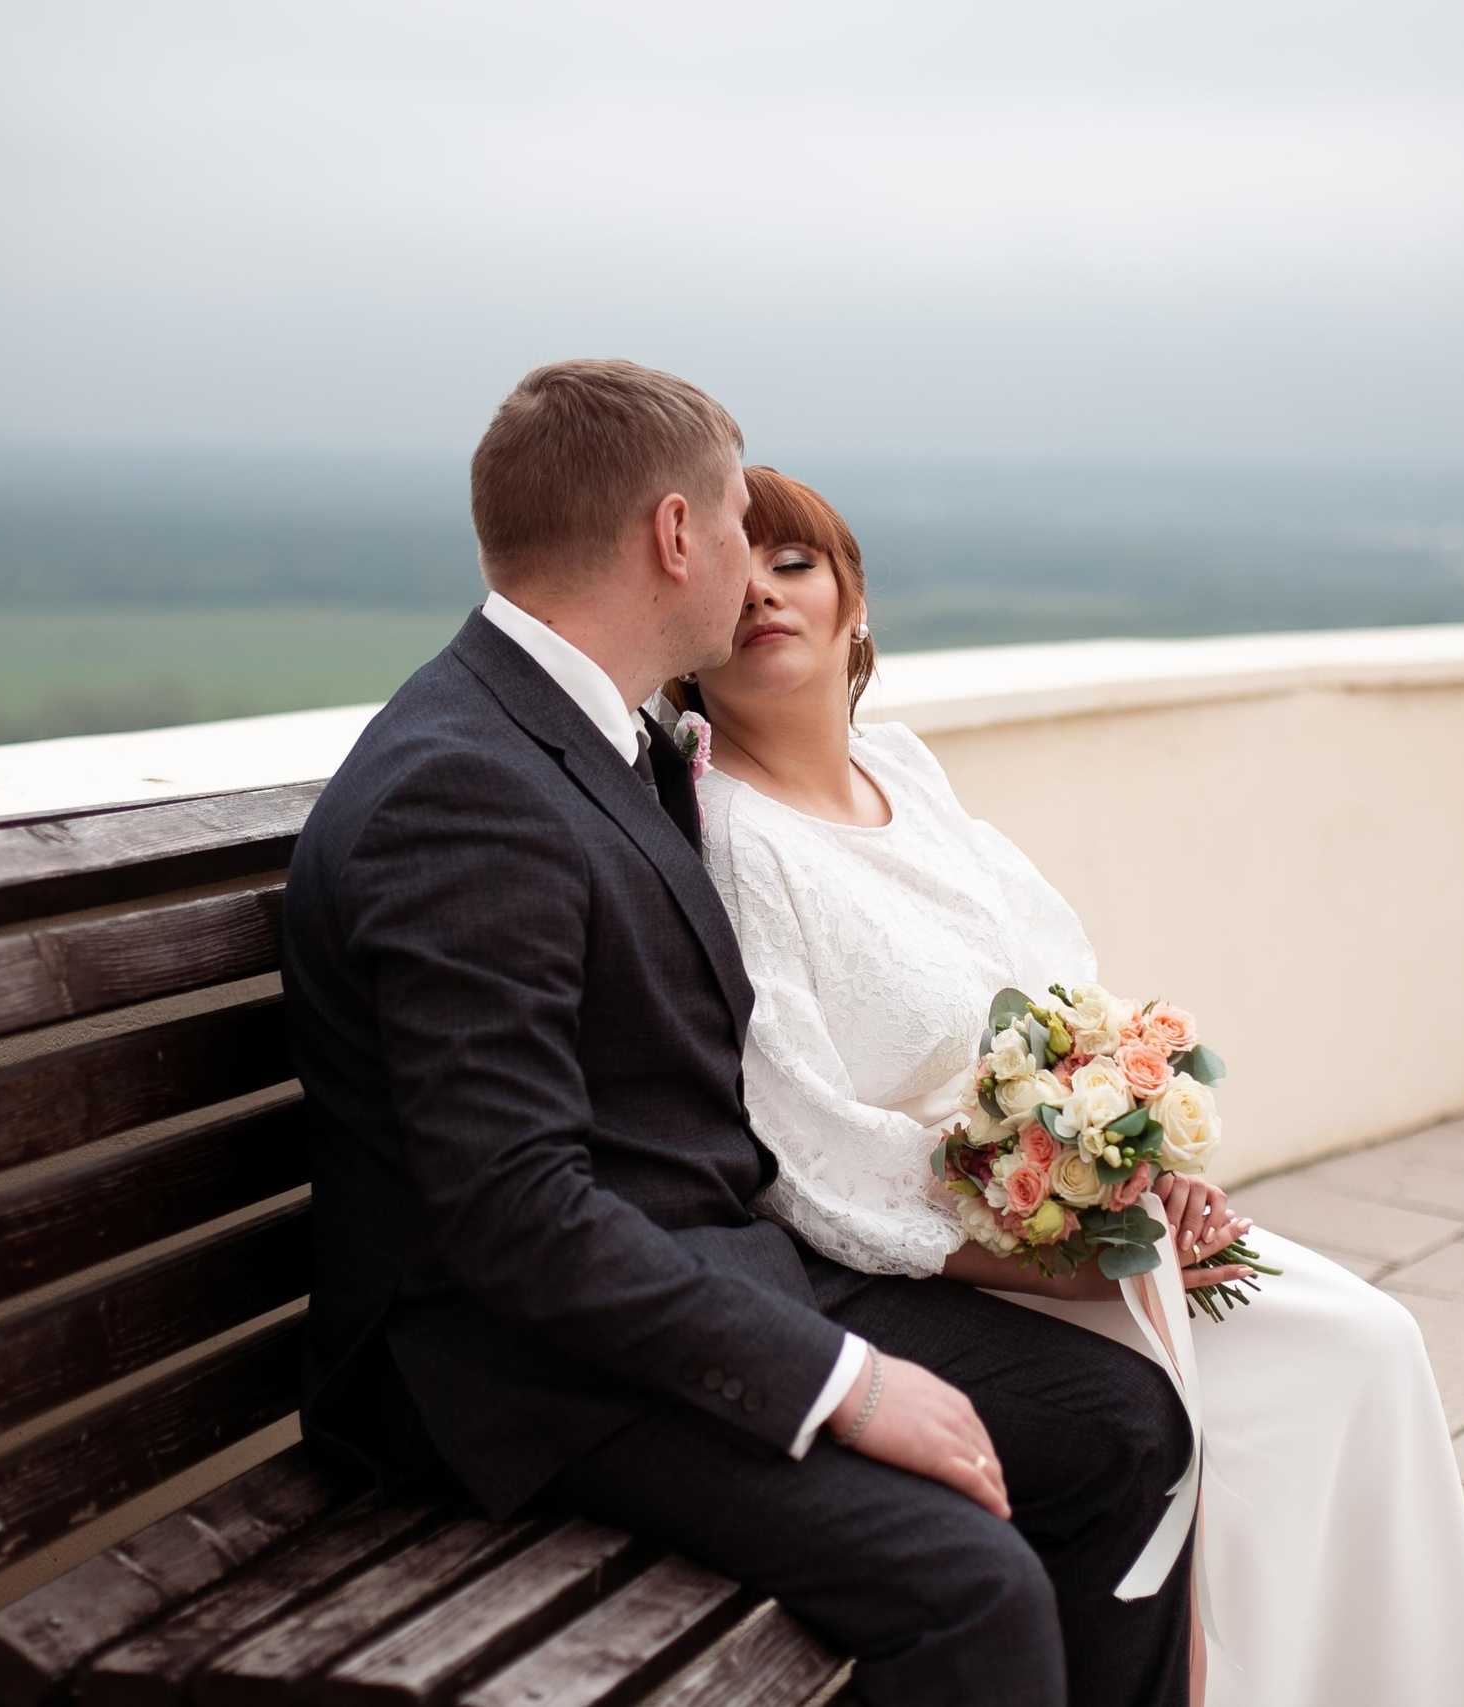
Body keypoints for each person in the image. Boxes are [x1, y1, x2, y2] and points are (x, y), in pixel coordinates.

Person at [280, 361, 1197, 1707]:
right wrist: (841, 1379)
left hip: (683, 1265)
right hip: (513, 1368)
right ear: (672, 535)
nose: (749, 564)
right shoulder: (464, 790)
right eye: (730, 519)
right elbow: (513, 1208)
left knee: (1126, 1427)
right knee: (968, 1583)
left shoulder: (602, 738)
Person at [675, 465, 1464, 1707]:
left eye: (794, 565)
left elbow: (1065, 996)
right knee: (1310, 1374)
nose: (763, 596)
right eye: (733, 577)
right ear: (686, 645)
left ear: (856, 607)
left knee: (1373, 1344)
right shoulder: (729, 838)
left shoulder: (906, 774)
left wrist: (1147, 1166)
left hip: (1079, 1224)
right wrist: (1053, 1245)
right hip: (948, 1254)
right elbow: (804, 1143)